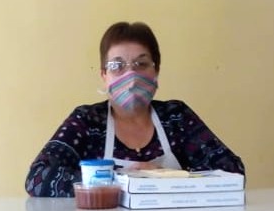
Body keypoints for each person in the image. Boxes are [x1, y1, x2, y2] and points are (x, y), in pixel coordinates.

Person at [25, 21, 245, 197]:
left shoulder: (176, 117)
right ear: (104, 75)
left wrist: (167, 177)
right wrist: (121, 179)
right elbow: (38, 178)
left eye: (141, 64)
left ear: (156, 71)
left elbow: (233, 171)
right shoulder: (88, 121)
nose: (130, 75)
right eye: (117, 66)